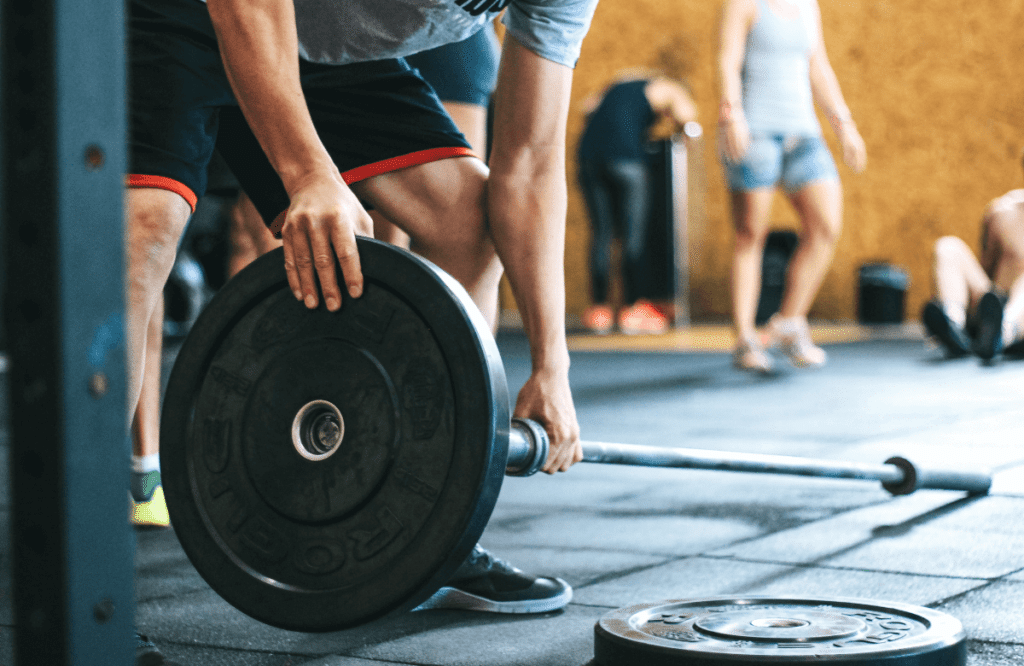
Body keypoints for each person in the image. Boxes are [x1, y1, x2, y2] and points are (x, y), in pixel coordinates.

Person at [125, 0, 597, 646]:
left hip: (312, 50)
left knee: (463, 223)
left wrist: (552, 362)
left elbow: (531, 164)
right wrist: (308, 174)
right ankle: (80, 573)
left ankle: (421, 531)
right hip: (178, 12)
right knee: (144, 226)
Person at [718, 0, 866, 373]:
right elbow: (728, 59)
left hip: (804, 133)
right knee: (751, 234)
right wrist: (732, 114)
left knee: (825, 226)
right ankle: (745, 339)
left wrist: (844, 124)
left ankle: (788, 323)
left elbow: (818, 67)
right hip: (756, 132)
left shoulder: (807, 5)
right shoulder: (744, 3)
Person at [577, 72, 698, 335]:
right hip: (627, 160)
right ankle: (634, 308)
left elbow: (586, 108)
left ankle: (600, 311)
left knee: (603, 234)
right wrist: (682, 129)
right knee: (634, 235)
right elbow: (686, 115)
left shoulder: (617, 85)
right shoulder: (664, 87)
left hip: (589, 158)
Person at [922, 153, 1024, 361]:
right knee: (948, 247)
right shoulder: (1002, 211)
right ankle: (953, 326)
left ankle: (1003, 334)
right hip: (993, 308)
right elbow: (987, 267)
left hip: (1017, 323)